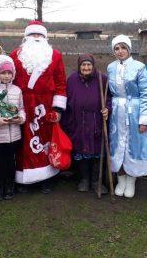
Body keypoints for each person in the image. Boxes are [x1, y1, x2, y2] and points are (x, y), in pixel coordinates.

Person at [10, 20, 67, 193]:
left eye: (40, 35)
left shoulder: (55, 55)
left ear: (45, 37)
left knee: (46, 140)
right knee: (22, 141)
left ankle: (46, 177)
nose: (36, 38)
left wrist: (57, 108)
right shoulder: (15, 55)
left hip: (46, 105)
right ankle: (23, 178)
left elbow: (60, 83)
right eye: (33, 34)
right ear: (26, 37)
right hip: (22, 103)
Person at [107, 34, 147, 198]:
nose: (120, 51)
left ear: (129, 49)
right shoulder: (111, 67)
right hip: (117, 112)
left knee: (133, 145)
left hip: (135, 111)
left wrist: (144, 119)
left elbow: (146, 95)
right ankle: (121, 180)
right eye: (116, 48)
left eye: (123, 48)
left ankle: (131, 181)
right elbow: (109, 93)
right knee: (118, 145)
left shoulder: (139, 67)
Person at [61, 54, 111, 193]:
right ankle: (84, 179)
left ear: (93, 66)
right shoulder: (71, 80)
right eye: (83, 65)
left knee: (97, 151)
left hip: (97, 122)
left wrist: (108, 108)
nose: (86, 67)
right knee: (80, 151)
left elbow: (109, 98)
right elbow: (66, 100)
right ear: (79, 66)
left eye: (89, 65)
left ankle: (96, 181)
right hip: (78, 122)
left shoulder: (102, 79)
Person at [0, 55, 26, 201]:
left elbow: (21, 109)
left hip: (13, 135)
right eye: (3, 73)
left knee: (10, 163)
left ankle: (9, 186)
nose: (7, 76)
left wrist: (21, 118)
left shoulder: (17, 90)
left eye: (9, 73)